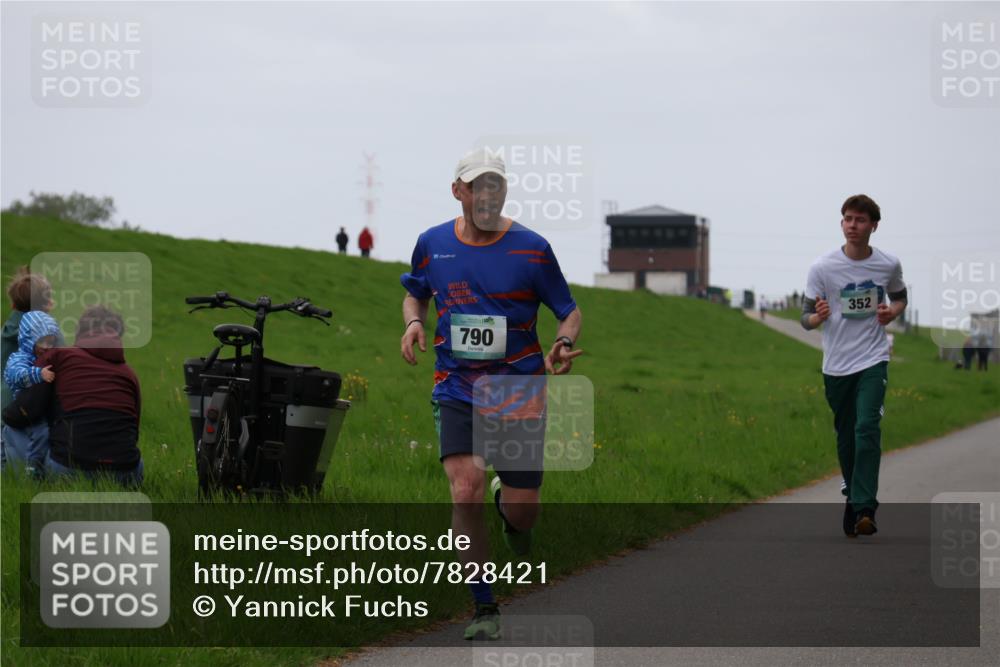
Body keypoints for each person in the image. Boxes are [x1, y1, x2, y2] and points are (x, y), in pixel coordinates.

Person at [399, 149, 583, 640]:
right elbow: (415, 290)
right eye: (478, 186)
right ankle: (484, 606)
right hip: (457, 385)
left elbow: (568, 310)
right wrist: (415, 321)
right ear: (458, 191)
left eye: (496, 186)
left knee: (524, 512)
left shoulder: (532, 248)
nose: (487, 194)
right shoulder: (432, 243)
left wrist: (563, 341)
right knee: (464, 489)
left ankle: (512, 509)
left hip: (519, 388)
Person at [801, 194, 906, 538]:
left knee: (866, 428)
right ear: (841, 223)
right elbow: (804, 318)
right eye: (847, 219)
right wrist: (817, 317)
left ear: (873, 226)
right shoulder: (823, 267)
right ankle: (853, 498)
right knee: (847, 438)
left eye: (860, 220)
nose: (852, 226)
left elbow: (900, 295)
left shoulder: (888, 265)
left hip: (873, 360)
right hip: (836, 366)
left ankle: (865, 507)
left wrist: (893, 311)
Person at [2, 305, 144, 487]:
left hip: (70, 470)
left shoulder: (58, 357)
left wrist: (7, 414)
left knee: (12, 427)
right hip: (127, 474)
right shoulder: (129, 375)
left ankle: (25, 482)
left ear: (81, 330)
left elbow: (26, 410)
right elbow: (134, 432)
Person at [2, 267, 55, 469]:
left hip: (2, 409)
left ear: (13, 303)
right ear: (46, 306)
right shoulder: (47, 338)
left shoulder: (4, 333)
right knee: (31, 466)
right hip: (28, 411)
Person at [1, 311, 62, 476]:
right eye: (42, 341)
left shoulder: (46, 356)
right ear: (29, 340)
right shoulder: (20, 358)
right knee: (41, 432)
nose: (48, 346)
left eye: (51, 341)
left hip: (42, 405)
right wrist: (38, 374)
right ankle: (33, 467)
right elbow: (15, 375)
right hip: (27, 408)